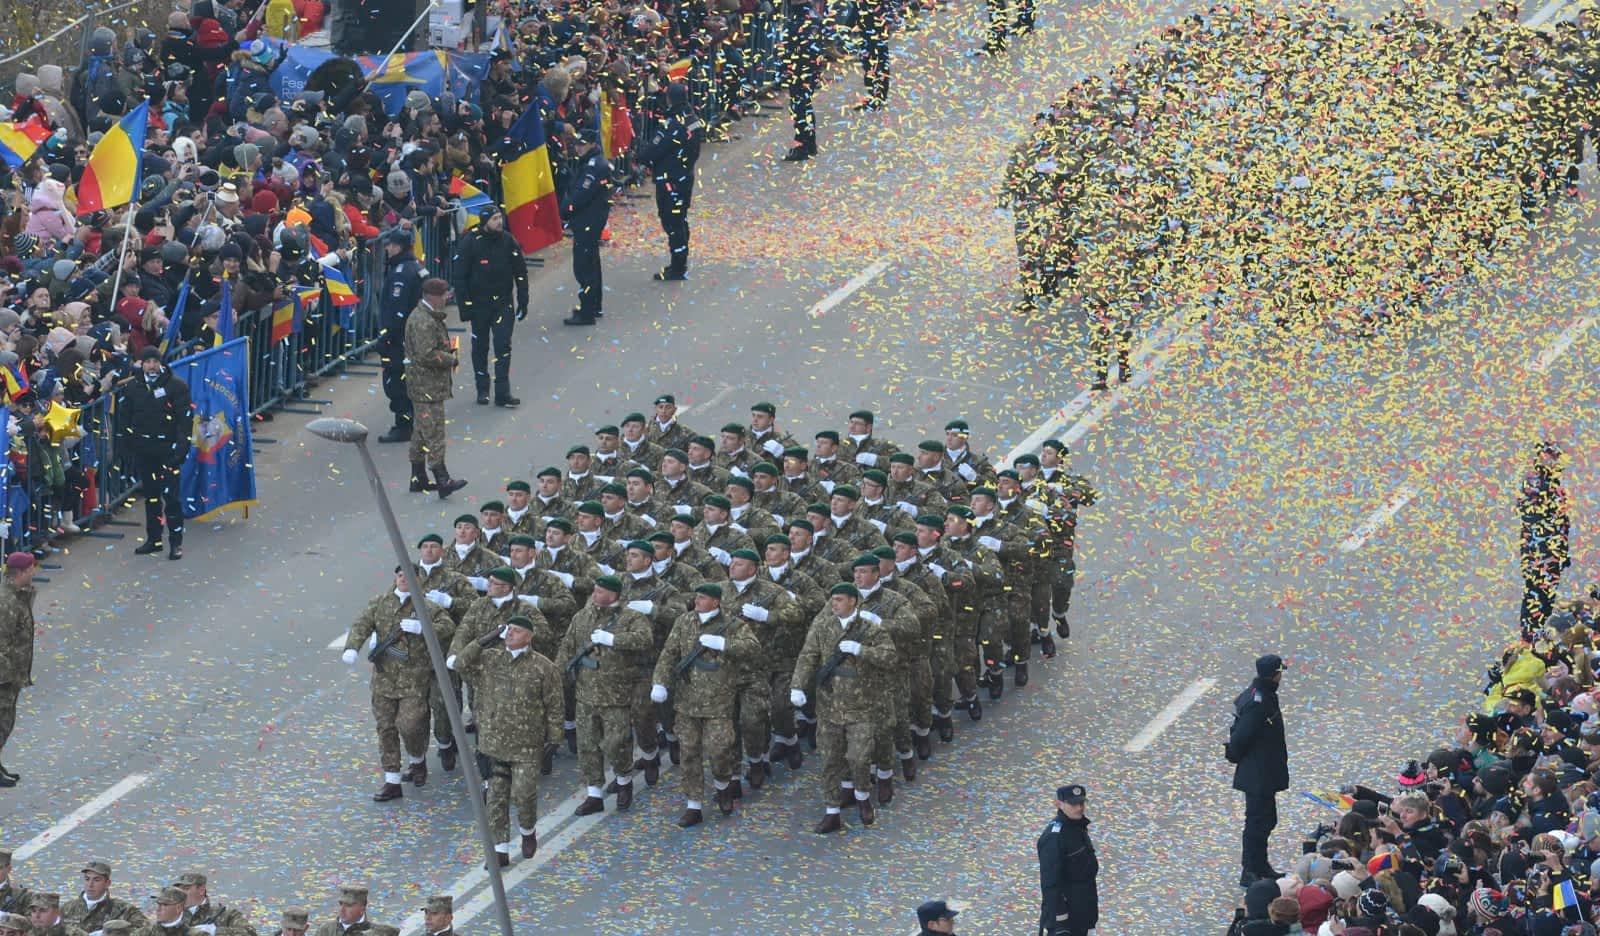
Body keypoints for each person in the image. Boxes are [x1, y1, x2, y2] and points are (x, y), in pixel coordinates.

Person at [449, 614, 564, 864]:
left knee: (524, 795)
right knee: (496, 799)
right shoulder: (490, 659)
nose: (510, 634)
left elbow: (554, 704)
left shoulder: (544, 667)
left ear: (530, 636)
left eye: (517, 631)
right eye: (508, 629)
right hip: (493, 743)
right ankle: (499, 850)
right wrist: (482, 640)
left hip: (526, 745)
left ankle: (527, 831)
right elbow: (459, 664)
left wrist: (554, 739)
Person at [650, 583, 760, 827]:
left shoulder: (733, 625)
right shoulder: (684, 621)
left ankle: (723, 785)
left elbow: (753, 648)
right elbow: (669, 654)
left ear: (716, 602)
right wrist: (660, 682)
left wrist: (724, 645)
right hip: (687, 701)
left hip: (719, 702)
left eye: (702, 598)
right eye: (697, 597)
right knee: (689, 753)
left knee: (720, 750)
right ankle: (693, 805)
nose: (697, 601)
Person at [791, 583, 896, 833]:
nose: (834, 604)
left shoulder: (869, 629)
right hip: (829, 706)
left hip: (861, 706)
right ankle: (832, 811)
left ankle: (862, 796)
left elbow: (890, 657)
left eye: (838, 600)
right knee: (829, 760)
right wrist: (797, 686)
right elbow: (808, 657)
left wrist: (862, 650)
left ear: (853, 602)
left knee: (859, 758)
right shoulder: (823, 626)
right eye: (832, 600)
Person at [341, 568, 451, 802]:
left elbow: (448, 627)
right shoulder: (380, 603)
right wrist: (352, 647)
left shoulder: (426, 607)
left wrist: (424, 628)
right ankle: (392, 780)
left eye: (410, 576)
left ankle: (417, 760)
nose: (404, 580)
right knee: (386, 728)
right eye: (400, 575)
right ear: (395, 578)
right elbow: (362, 624)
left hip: (415, 679)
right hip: (384, 679)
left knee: (410, 725)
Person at [556, 576, 653, 814]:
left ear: (614, 595)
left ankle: (623, 782)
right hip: (586, 691)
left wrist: (614, 639)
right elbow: (567, 647)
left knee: (617, 742)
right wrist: (556, 677)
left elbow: (645, 639)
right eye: (594, 590)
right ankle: (594, 794)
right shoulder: (582, 616)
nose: (594, 595)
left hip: (616, 692)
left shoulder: (631, 617)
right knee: (587, 745)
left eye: (600, 591)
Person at [448, 208, 527, 407]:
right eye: (494, 219)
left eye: (500, 217)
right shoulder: (470, 242)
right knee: (480, 347)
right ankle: (482, 389)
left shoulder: (508, 240)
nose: (499, 222)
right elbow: (459, 277)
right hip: (479, 305)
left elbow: (520, 272)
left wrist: (523, 300)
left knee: (503, 346)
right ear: (485, 222)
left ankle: (502, 392)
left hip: (503, 303)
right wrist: (465, 307)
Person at [1226, 654, 1290, 887]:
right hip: (1258, 774)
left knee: (1266, 820)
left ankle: (1260, 865)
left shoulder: (1262, 695)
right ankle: (1250, 869)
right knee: (1257, 823)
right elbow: (1242, 736)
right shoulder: (1259, 702)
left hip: (1263, 773)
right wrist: (1233, 753)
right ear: (1275, 674)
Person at [122, 347, 191, 560]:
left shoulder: (176, 386)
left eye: (155, 361)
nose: (151, 366)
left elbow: (184, 421)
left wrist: (180, 451)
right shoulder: (133, 387)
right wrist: (130, 447)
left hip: (168, 452)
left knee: (171, 498)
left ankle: (176, 543)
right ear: (141, 363)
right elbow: (125, 420)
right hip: (145, 452)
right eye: (147, 361)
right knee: (151, 498)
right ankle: (154, 540)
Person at [403, 278, 467, 498]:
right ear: (432, 296)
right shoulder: (424, 321)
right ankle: (442, 478)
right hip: (426, 385)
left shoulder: (427, 316)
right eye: (443, 295)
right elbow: (427, 354)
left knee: (421, 432)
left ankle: (418, 478)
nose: (446, 298)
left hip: (424, 384)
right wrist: (451, 358)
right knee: (435, 432)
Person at [640, 82, 704, 282]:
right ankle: (679, 262)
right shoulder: (693, 119)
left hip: (670, 180)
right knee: (680, 218)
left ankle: (678, 266)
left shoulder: (672, 124)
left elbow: (653, 151)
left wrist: (642, 152)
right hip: (685, 176)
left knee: (672, 220)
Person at [375, 229, 423, 444]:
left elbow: (397, 310)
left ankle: (404, 426)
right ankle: (411, 421)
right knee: (407, 379)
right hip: (412, 335)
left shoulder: (401, 273)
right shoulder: (414, 267)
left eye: (391, 244)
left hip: (399, 337)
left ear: (399, 246)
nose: (387, 248)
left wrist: (387, 337)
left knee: (396, 381)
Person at [561, 130, 613, 327]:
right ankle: (593, 306)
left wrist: (565, 210)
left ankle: (587, 311)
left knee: (584, 267)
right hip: (590, 220)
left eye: (582, 144)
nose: (578, 147)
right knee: (591, 264)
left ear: (592, 144)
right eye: (576, 144)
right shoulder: (592, 162)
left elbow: (581, 194)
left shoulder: (594, 167)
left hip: (588, 222)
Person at [1037, 784, 1098, 936]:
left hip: (1083, 913)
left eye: (1081, 803)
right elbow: (1051, 884)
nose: (1079, 808)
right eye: (1073, 804)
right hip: (1066, 920)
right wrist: (1061, 924)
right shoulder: (1055, 836)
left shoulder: (1077, 827)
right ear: (1059, 804)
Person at [0, 554, 36, 786]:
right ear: (22, 572)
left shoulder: (16, 596)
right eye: (32, 568)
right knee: (1, 722)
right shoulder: (7, 602)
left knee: (5, 721)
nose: (34, 571)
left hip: (13, 673)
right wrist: (5, 678)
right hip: (4, 676)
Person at [782, 0, 824, 161]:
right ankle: (810, 143)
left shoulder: (803, 17)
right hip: (806, 68)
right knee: (803, 104)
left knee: (800, 106)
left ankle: (803, 145)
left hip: (802, 68)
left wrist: (788, 65)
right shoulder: (810, 14)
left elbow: (799, 46)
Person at [60, 862, 146, 932]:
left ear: (107, 883)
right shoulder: (68, 908)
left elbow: (147, 930)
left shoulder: (123, 910)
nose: (90, 884)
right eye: (87, 879)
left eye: (96, 880)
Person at [172, 872, 254, 936]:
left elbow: (250, 933)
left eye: (186, 889)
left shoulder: (226, 915)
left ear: (201, 890)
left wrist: (214, 931)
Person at [309, 887, 396, 936]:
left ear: (362, 908)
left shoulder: (378, 932)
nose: (342, 910)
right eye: (341, 904)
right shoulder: (326, 930)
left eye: (348, 905)